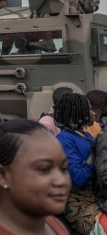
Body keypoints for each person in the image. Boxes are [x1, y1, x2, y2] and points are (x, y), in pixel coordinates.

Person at [0, 119, 70, 235]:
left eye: (64, 168)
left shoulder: (53, 224)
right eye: (44, 169)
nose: (61, 181)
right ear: (2, 176)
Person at [54, 93, 99, 233]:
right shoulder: (64, 139)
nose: (94, 113)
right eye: (90, 109)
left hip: (96, 197)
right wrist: (94, 152)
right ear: (80, 113)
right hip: (79, 205)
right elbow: (79, 177)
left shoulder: (87, 135)